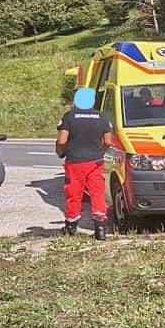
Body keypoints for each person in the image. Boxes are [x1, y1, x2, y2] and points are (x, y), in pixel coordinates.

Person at [56, 87, 114, 239]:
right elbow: (108, 141)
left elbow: (62, 140)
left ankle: (71, 226)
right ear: (93, 101)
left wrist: (60, 151)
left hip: (74, 161)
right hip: (95, 161)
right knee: (97, 193)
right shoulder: (102, 117)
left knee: (74, 193)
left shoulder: (69, 117)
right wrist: (100, 151)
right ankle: (100, 229)